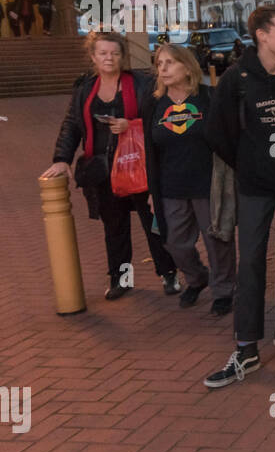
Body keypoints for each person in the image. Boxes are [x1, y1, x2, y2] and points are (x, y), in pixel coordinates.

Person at [203, 5, 275, 389]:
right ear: (262, 35)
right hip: (254, 187)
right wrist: (247, 163)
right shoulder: (236, 80)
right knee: (251, 262)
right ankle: (246, 345)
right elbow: (217, 133)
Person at [41, 30, 181, 300]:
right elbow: (71, 126)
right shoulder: (84, 88)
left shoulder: (142, 83)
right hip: (103, 170)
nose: (109, 58)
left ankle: (169, 273)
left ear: (122, 56)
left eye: (115, 53)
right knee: (114, 227)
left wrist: (133, 125)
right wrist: (61, 159)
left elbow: (161, 118)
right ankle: (122, 279)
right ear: (93, 56)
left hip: (138, 165)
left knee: (153, 222)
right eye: (103, 53)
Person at [144, 43, 236, 316]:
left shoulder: (208, 97)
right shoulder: (153, 104)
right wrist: (152, 190)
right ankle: (197, 278)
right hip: (171, 187)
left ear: (188, 67)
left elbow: (228, 136)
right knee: (175, 243)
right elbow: (151, 150)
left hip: (208, 184)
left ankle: (224, 291)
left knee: (218, 242)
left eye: (170, 62)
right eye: (159, 64)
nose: (164, 69)